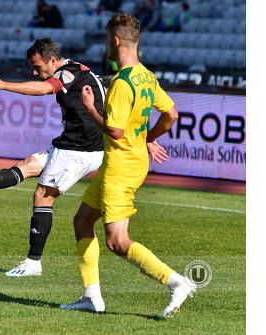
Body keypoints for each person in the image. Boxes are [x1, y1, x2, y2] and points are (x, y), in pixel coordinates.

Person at [59, 13, 194, 318]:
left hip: (121, 167)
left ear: (116, 41)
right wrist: (147, 136)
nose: (107, 45)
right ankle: (91, 296)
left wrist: (92, 108)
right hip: (128, 162)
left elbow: (115, 130)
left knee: (117, 242)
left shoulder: (121, 82)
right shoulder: (146, 75)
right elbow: (171, 114)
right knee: (82, 221)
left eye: (109, 40)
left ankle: (176, 282)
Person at [0, 38, 107, 277]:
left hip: (80, 149)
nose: (35, 73)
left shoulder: (67, 74)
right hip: (72, 143)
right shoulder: (78, 70)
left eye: (38, 67)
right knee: (26, 166)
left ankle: (33, 262)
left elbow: (45, 89)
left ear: (51, 59)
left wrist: (3, 85)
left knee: (42, 196)